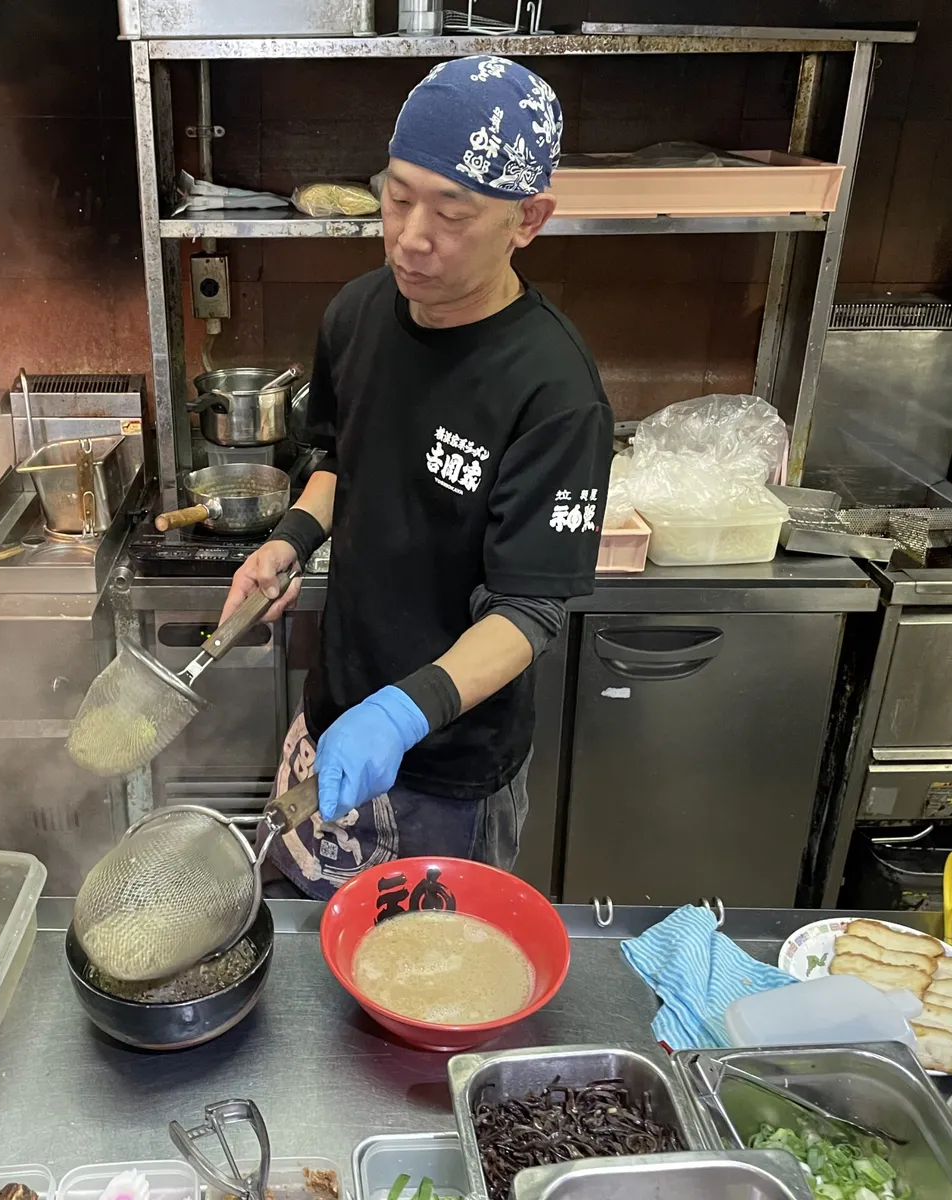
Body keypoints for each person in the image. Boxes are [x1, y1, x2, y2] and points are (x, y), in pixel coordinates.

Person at [219, 54, 613, 898]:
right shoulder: (356, 314)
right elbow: (341, 461)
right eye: (397, 198)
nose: (410, 236)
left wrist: (400, 713)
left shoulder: (554, 390)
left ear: (528, 219)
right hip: (332, 717)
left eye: (451, 213)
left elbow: (531, 610)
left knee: (426, 967)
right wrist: (289, 543)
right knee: (296, 937)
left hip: (449, 766)